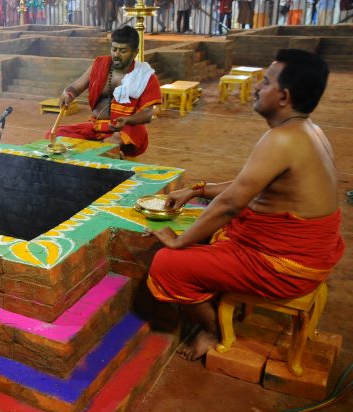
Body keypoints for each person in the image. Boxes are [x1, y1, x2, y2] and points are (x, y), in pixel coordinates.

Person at [147, 49, 345, 361]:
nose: (256, 88)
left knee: (167, 263)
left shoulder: (282, 139)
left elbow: (230, 204)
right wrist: (196, 190)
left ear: (283, 96)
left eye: (265, 82)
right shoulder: (307, 130)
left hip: (285, 266)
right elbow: (247, 185)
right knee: (206, 221)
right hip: (304, 251)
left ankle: (212, 331)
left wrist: (179, 241)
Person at [54, 25, 161, 157]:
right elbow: (75, 87)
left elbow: (148, 114)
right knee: (57, 136)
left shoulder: (145, 76)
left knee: (118, 138)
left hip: (125, 129)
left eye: (123, 51)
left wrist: (128, 120)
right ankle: (106, 149)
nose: (116, 54)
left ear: (135, 52)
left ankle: (109, 148)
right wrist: (67, 94)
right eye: (114, 49)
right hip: (97, 126)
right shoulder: (99, 65)